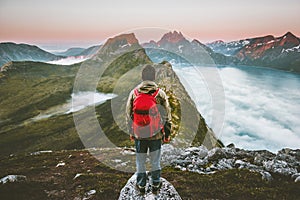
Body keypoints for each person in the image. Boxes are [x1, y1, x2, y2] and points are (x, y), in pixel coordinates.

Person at [126, 64, 172, 193]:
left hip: (139, 134)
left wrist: (131, 132)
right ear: (154, 77)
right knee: (155, 161)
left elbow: (128, 115)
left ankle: (141, 185)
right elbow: (167, 116)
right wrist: (167, 134)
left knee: (140, 160)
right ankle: (156, 184)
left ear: (142, 77)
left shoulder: (134, 93)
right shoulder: (160, 94)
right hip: (156, 134)